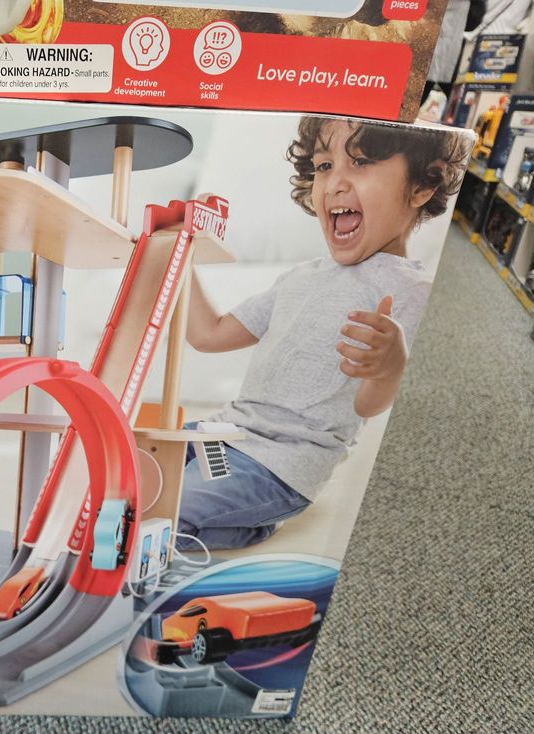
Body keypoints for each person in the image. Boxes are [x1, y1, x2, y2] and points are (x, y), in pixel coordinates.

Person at [177, 118, 469, 550]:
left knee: (171, 511)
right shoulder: (301, 277)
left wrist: (391, 367)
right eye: (324, 166)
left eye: (361, 162)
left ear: (423, 185)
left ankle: (250, 516)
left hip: (277, 466)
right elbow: (209, 334)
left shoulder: (412, 291)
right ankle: (241, 517)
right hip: (219, 436)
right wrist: (179, 255)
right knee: (129, 470)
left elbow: (368, 404)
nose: (334, 184)